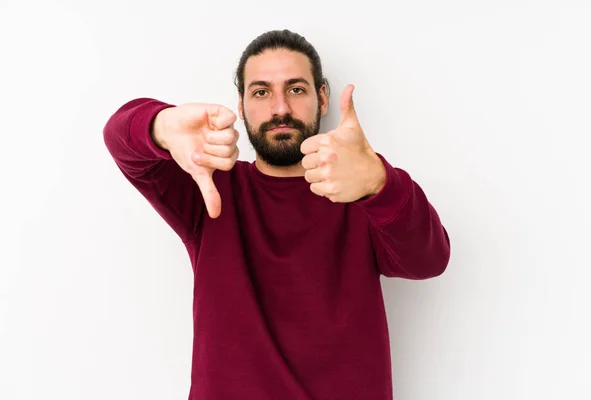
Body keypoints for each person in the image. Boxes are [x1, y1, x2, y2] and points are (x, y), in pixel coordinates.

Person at [103, 29, 451, 400]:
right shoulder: (209, 187)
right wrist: (160, 126)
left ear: (322, 98)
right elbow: (118, 138)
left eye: (296, 89)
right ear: (241, 104)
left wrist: (381, 183)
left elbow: (428, 261)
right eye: (261, 91)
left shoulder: (361, 188)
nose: (280, 108)